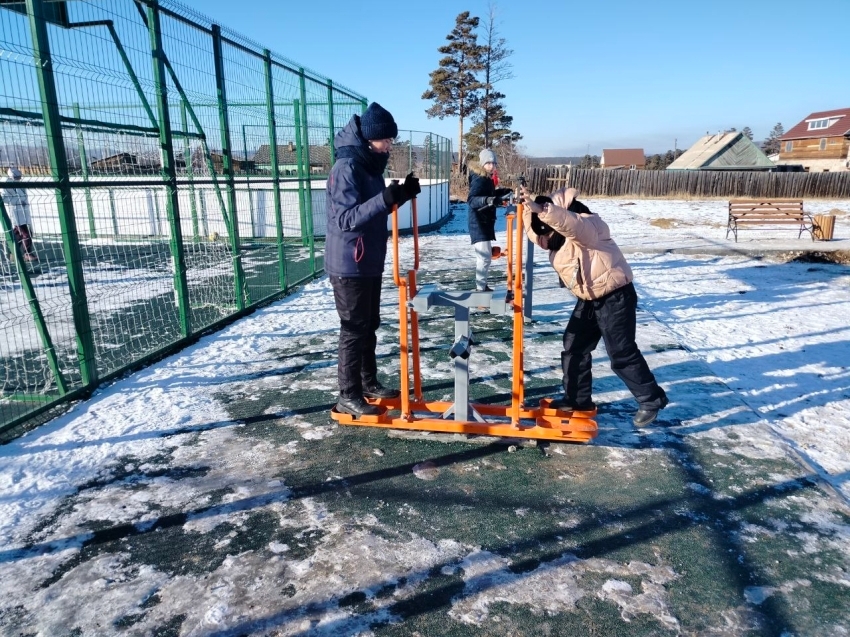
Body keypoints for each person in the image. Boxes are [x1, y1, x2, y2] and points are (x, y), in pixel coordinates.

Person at [521, 187, 669, 427]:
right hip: (590, 297)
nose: (544, 238)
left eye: (547, 226)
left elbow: (572, 225)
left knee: (621, 352)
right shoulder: (555, 239)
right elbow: (534, 233)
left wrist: (543, 210)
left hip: (615, 296)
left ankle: (651, 398)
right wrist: (527, 208)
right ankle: (577, 399)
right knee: (574, 344)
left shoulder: (590, 227)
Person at [325, 102, 420, 417]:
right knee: (353, 328)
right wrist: (385, 199)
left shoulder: (369, 164)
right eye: (387, 140)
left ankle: (367, 383)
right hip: (348, 263)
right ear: (370, 138)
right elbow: (346, 219)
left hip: (368, 259)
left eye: (391, 140)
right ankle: (347, 395)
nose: (390, 145)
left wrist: (401, 194)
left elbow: (376, 207)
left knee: (369, 325)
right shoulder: (346, 168)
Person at [467, 149, 513, 291]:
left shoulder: (486, 178)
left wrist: (503, 192)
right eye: (488, 163)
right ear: (482, 164)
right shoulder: (480, 179)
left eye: (493, 163)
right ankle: (480, 288)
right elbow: (472, 200)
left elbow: (490, 194)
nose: (492, 166)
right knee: (484, 257)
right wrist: (490, 200)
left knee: (485, 257)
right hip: (478, 223)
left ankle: (482, 286)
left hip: (484, 222)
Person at [2, 167, 37, 262]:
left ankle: (14, 253)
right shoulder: (7, 185)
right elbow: (4, 198)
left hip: (24, 211)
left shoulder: (19, 184)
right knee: (26, 234)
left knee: (18, 234)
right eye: (18, 176)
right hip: (16, 212)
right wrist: (18, 201)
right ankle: (27, 253)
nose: (20, 177)